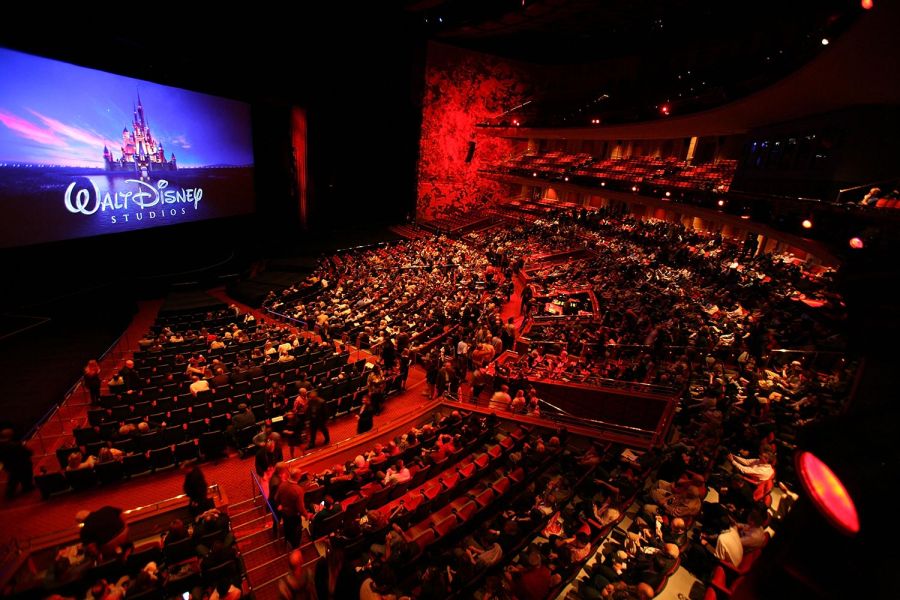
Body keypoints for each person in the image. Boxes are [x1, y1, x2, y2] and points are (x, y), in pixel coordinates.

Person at [0, 428, 34, 499]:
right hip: (22, 464)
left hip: (9, 466)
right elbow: (27, 453)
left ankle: (10, 493)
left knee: (13, 479)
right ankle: (27, 487)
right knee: (24, 477)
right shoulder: (15, 445)